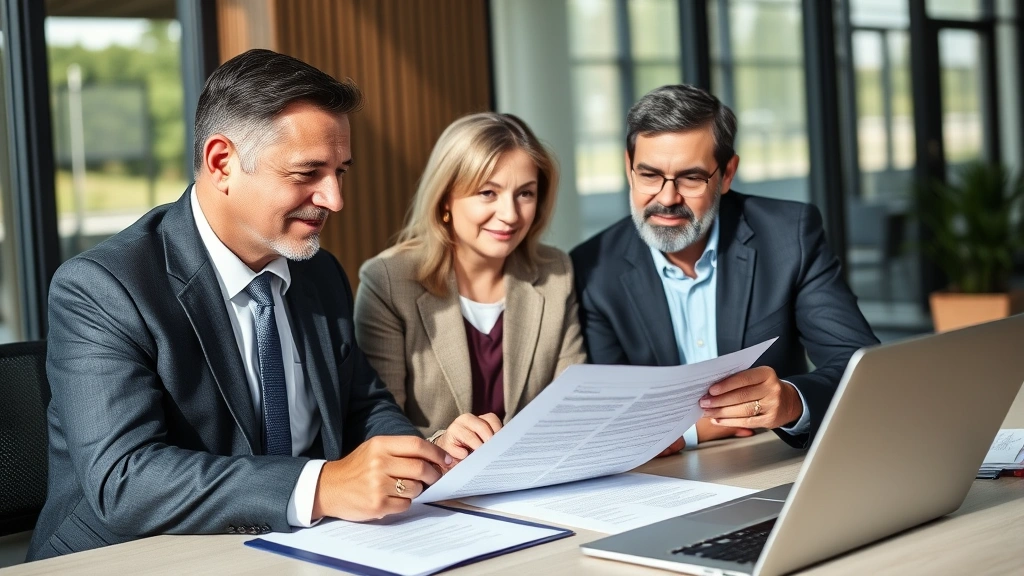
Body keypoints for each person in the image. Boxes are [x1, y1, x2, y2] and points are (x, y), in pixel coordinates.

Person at [29, 49, 489, 560]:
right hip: (135, 557)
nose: (334, 199)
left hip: (298, 548)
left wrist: (425, 458)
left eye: (340, 171)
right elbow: (124, 479)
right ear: (222, 162)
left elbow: (361, 408)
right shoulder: (103, 287)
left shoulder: (319, 272)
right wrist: (320, 486)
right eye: (307, 173)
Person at [570, 85, 878, 453]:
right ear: (628, 167)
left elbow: (862, 365)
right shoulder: (592, 268)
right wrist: (698, 430)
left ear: (727, 174)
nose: (667, 199)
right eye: (649, 175)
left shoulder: (788, 234)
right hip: (657, 476)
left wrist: (792, 400)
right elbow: (615, 415)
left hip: (769, 458)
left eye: (691, 178)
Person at [354, 112, 586, 448]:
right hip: (432, 487)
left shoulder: (556, 273)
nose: (510, 214)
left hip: (535, 483)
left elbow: (572, 410)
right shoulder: (388, 281)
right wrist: (440, 442)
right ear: (446, 198)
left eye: (525, 194)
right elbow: (377, 424)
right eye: (488, 193)